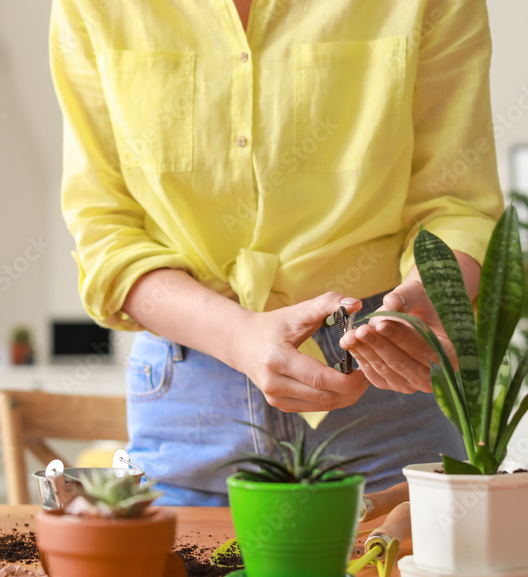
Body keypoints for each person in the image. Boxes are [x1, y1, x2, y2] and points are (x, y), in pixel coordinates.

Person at [49, 0, 504, 505]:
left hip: (385, 379)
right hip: (191, 389)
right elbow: (106, 231)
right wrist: (239, 336)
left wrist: (430, 297)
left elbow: (456, 201)